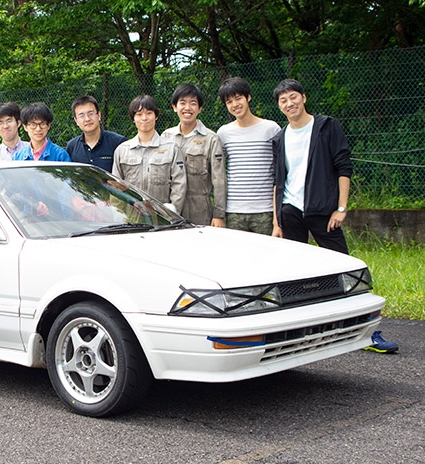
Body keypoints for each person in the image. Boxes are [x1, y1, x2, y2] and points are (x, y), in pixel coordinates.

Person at [271, 78, 399, 354]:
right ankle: (301, 334)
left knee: (347, 270)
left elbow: (343, 166)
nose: (289, 103)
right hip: (290, 212)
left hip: (323, 211)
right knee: (293, 275)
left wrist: (341, 208)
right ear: (279, 106)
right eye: (283, 100)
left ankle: (369, 333)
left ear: (303, 97)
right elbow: (278, 180)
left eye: (293, 97)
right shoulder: (280, 137)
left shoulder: (326, 126)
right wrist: (277, 221)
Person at [217, 77, 281, 234]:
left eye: (238, 98)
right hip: (234, 210)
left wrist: (276, 219)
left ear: (248, 97)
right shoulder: (223, 133)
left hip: (265, 210)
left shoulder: (271, 128)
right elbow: (218, 170)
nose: (235, 105)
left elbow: (280, 172)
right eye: (229, 102)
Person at [162, 84, 226, 226]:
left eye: (193, 103)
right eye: (182, 103)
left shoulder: (211, 138)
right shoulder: (166, 136)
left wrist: (219, 214)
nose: (187, 108)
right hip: (171, 211)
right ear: (174, 107)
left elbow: (219, 179)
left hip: (201, 211)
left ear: (200, 108)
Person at [112, 95, 186, 213]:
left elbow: (179, 185)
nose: (144, 118)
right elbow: (116, 187)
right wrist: (120, 213)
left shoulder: (171, 148)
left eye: (149, 113)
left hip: (162, 216)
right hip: (130, 216)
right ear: (133, 118)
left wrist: (172, 213)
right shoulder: (122, 150)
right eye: (139, 114)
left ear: (156, 116)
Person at [66, 95, 126, 171]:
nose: (87, 119)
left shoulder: (118, 142)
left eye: (90, 113)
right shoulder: (71, 147)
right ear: (76, 121)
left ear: (99, 115)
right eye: (81, 116)